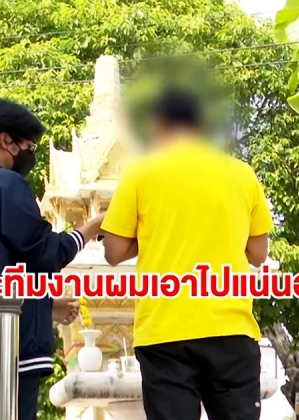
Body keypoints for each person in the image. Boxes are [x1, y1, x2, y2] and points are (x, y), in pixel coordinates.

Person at [101, 87, 273, 420]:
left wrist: (149, 235)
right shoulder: (242, 174)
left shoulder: (140, 172)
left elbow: (113, 251)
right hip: (231, 329)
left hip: (165, 332)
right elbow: (258, 253)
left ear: (159, 124)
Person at [0, 98, 106, 420]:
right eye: (29, 145)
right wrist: (92, 227)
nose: (31, 154)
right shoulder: (6, 184)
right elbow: (44, 252)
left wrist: (44, 305)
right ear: (6, 140)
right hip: (8, 347)